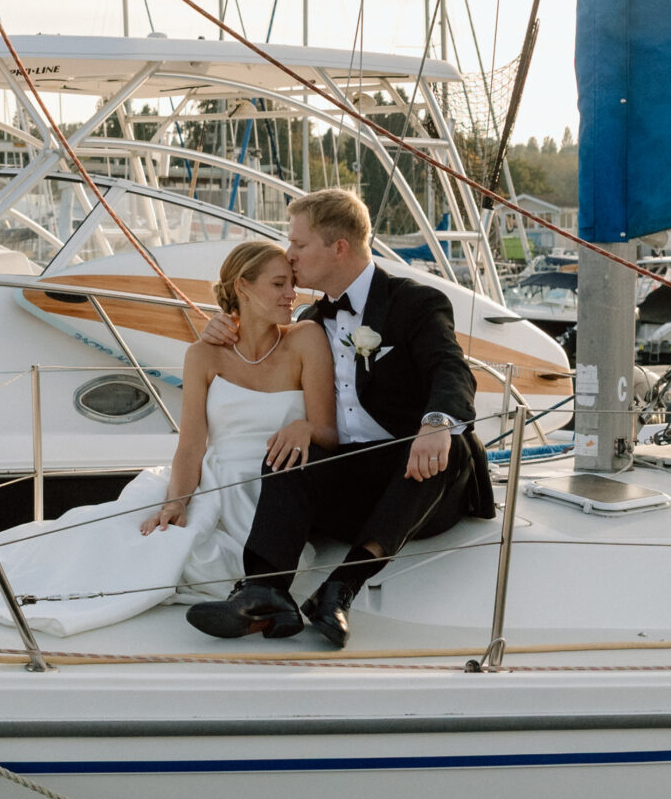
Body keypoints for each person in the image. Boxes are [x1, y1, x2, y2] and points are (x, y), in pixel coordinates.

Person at [186, 187, 493, 650]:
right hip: (349, 478)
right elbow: (253, 334)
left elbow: (450, 368)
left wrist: (435, 423)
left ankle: (339, 590)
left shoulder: (414, 302)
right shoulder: (309, 321)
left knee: (452, 446)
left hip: (416, 480)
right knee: (287, 453)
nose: (289, 256)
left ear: (339, 248)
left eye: (299, 244)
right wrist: (220, 322)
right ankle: (264, 591)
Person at [141, 241, 337, 605]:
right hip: (213, 483)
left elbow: (329, 431)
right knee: (149, 542)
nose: (292, 295)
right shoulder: (202, 355)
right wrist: (178, 501)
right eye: (279, 284)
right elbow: (192, 444)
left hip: (278, 487)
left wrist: (305, 428)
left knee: (233, 565)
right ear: (242, 287)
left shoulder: (306, 338)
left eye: (292, 284)